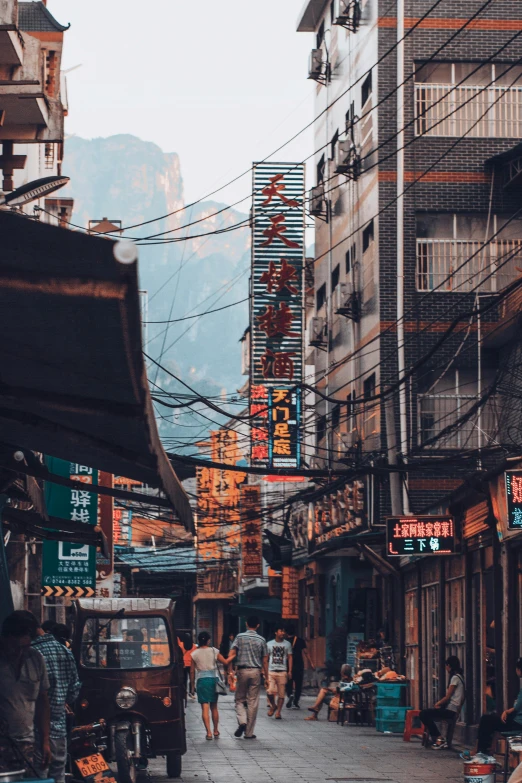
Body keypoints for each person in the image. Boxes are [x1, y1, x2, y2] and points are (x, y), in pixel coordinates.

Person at [31, 613, 81, 783]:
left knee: (38, 775)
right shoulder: (65, 651)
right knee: (58, 774)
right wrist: (61, 700)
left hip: (35, 730)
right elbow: (74, 690)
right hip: (59, 727)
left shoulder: (32, 654)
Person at [0, 611, 51, 772]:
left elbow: (43, 702)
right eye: (16, 647)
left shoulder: (36, 659)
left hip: (26, 742)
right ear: (6, 638)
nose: (20, 652)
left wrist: (45, 741)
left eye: (26, 646)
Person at [464, 658, 522, 762]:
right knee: (491, 719)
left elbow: (517, 707)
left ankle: (481, 751)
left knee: (486, 719)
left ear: (519, 669)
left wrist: (507, 711)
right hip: (517, 721)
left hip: (518, 724)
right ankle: (483, 750)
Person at [227, 615, 268, 739]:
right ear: (258, 626)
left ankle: (242, 721)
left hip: (242, 671)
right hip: (256, 672)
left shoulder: (239, 637)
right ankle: (249, 733)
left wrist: (230, 670)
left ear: (246, 624)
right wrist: (267, 676)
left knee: (239, 699)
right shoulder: (262, 640)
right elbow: (265, 660)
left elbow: (232, 653)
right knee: (252, 702)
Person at [419, 655, 465, 748]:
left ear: (449, 666)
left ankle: (438, 738)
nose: (446, 668)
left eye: (446, 666)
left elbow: (448, 696)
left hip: (451, 710)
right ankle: (437, 738)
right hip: (453, 709)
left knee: (424, 714)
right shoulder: (460, 677)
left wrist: (438, 703)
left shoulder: (455, 678)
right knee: (428, 713)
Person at [190, 631, 228, 741]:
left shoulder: (194, 654)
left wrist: (192, 686)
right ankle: (216, 730)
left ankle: (209, 733)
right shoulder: (214, 651)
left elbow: (192, 672)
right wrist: (232, 656)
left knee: (205, 708)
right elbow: (225, 662)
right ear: (208, 640)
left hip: (201, 681)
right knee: (214, 707)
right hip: (213, 680)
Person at [285, 624, 314, 709]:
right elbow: (306, 652)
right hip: (299, 664)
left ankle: (290, 694)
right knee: (298, 684)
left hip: (288, 665)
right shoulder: (300, 640)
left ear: (286, 632)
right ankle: (296, 701)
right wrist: (311, 663)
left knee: (289, 683)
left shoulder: (285, 641)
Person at [266, 624, 292, 719]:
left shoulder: (287, 644)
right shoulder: (269, 644)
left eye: (284, 631)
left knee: (281, 694)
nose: (283, 633)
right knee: (269, 692)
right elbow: (266, 658)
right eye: (281, 631)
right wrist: (263, 670)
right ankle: (273, 706)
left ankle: (278, 712)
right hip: (271, 671)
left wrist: (290, 671)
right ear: (276, 632)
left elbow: (290, 657)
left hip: (282, 671)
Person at [182, 633, 197, 701]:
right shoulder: (194, 646)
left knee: (184, 679)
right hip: (191, 664)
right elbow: (195, 655)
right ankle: (192, 692)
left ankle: (184, 693)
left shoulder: (181, 645)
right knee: (192, 679)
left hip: (184, 664)